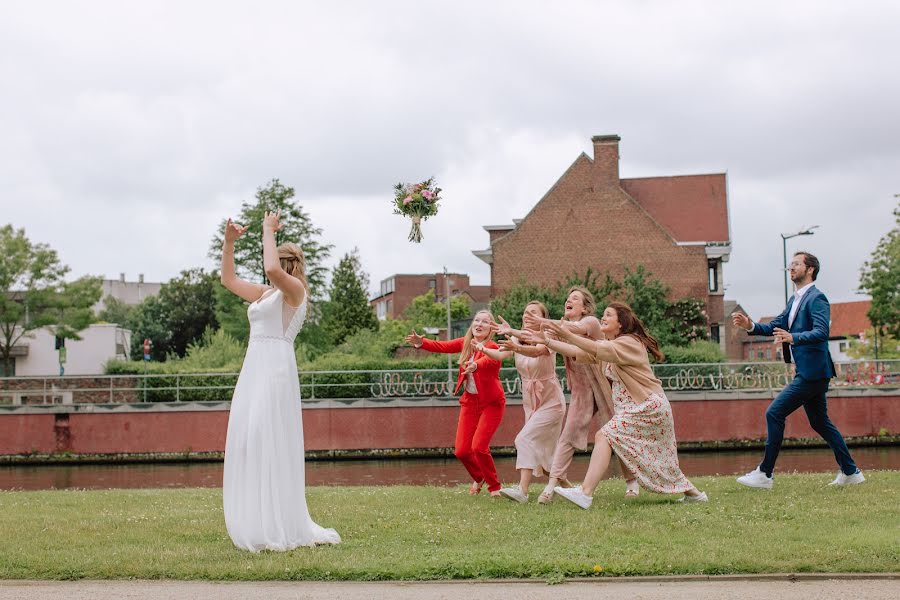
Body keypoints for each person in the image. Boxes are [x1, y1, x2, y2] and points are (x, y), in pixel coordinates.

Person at [221, 210, 340, 551]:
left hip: (275, 369)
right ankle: (259, 516)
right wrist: (229, 243)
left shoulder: (294, 291)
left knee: (266, 433)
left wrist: (266, 230)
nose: (267, 269)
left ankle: (278, 519)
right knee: (250, 437)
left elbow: (272, 268)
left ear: (288, 265)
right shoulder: (265, 294)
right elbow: (228, 281)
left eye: (273, 262)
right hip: (254, 366)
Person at [540, 302, 707, 509]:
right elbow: (578, 352)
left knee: (604, 435)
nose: (603, 318)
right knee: (661, 460)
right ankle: (695, 494)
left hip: (648, 406)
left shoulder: (629, 342)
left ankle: (585, 492)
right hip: (636, 408)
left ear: (621, 323)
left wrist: (564, 332)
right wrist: (547, 340)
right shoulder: (611, 348)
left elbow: (593, 346)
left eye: (608, 315)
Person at [733, 251, 864, 489]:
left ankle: (765, 473)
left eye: (796, 264)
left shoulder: (817, 298)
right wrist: (750, 325)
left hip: (813, 372)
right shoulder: (795, 300)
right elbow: (774, 326)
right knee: (820, 423)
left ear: (810, 269)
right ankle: (850, 471)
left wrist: (792, 337)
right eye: (790, 264)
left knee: (774, 413)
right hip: (810, 371)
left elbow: (822, 332)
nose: (790, 268)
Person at [520, 287, 635, 503]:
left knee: (617, 435)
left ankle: (631, 482)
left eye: (574, 299)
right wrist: (512, 333)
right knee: (568, 434)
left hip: (605, 386)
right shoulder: (559, 325)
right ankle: (552, 485)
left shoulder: (590, 322)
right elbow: (540, 339)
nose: (568, 301)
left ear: (585, 307)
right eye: (567, 298)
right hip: (582, 390)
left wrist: (544, 322)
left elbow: (574, 328)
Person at [405, 310, 507, 496]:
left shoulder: (492, 346)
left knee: (479, 447)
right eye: (476, 320)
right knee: (461, 451)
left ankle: (494, 487)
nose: (479, 324)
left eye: (484, 322)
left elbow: (489, 362)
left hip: (491, 403)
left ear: (491, 328)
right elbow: (442, 346)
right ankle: (479, 477)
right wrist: (422, 343)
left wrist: (475, 365)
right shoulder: (465, 343)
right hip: (470, 401)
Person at [475, 302, 565, 503]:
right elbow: (501, 354)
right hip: (530, 401)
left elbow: (538, 351)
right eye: (525, 312)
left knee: (524, 439)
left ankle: (522, 491)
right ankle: (563, 486)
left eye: (533, 312)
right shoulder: (517, 337)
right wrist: (483, 349)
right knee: (543, 446)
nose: (527, 315)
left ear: (542, 317)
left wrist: (517, 347)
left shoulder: (548, 336)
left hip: (551, 400)